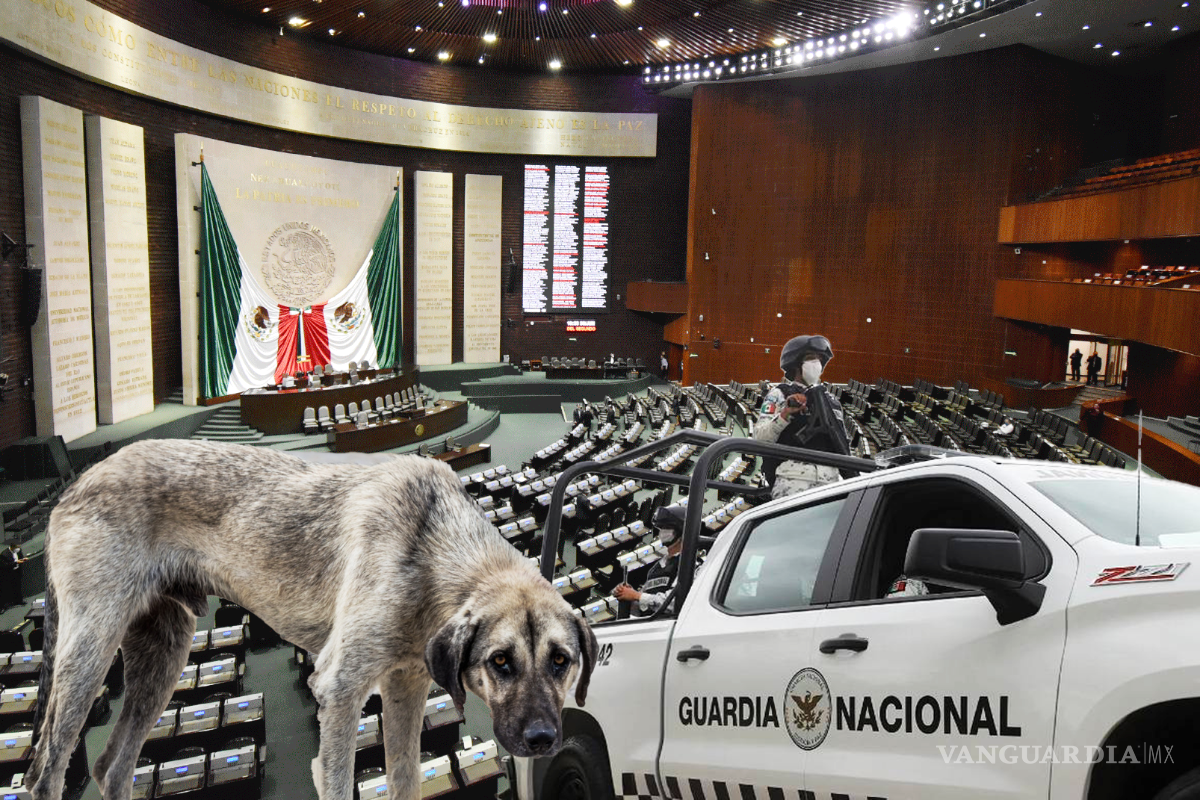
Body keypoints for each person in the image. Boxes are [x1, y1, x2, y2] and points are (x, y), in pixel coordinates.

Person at [753, 334, 851, 499]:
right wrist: (785, 414)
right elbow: (760, 438)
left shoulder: (832, 402)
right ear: (796, 364)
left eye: (819, 359)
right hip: (792, 482)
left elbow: (842, 444)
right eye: (810, 358)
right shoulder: (779, 394)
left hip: (830, 484)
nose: (816, 364)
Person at [613, 504, 687, 615]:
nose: (661, 532)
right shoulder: (657, 567)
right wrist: (627, 594)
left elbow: (674, 604)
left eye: (666, 528)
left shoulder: (688, 565)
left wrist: (636, 595)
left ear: (680, 532)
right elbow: (643, 606)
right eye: (660, 528)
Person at [1, 542, 28, 609]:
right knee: (10, 588)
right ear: (12, 547)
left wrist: (23, 559)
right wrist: (16, 562)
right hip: (9, 573)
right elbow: (5, 565)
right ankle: (11, 602)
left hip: (17, 571)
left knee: (18, 586)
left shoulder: (19, 551)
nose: (18, 548)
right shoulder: (4, 554)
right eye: (17, 547)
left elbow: (21, 557)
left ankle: (19, 601)